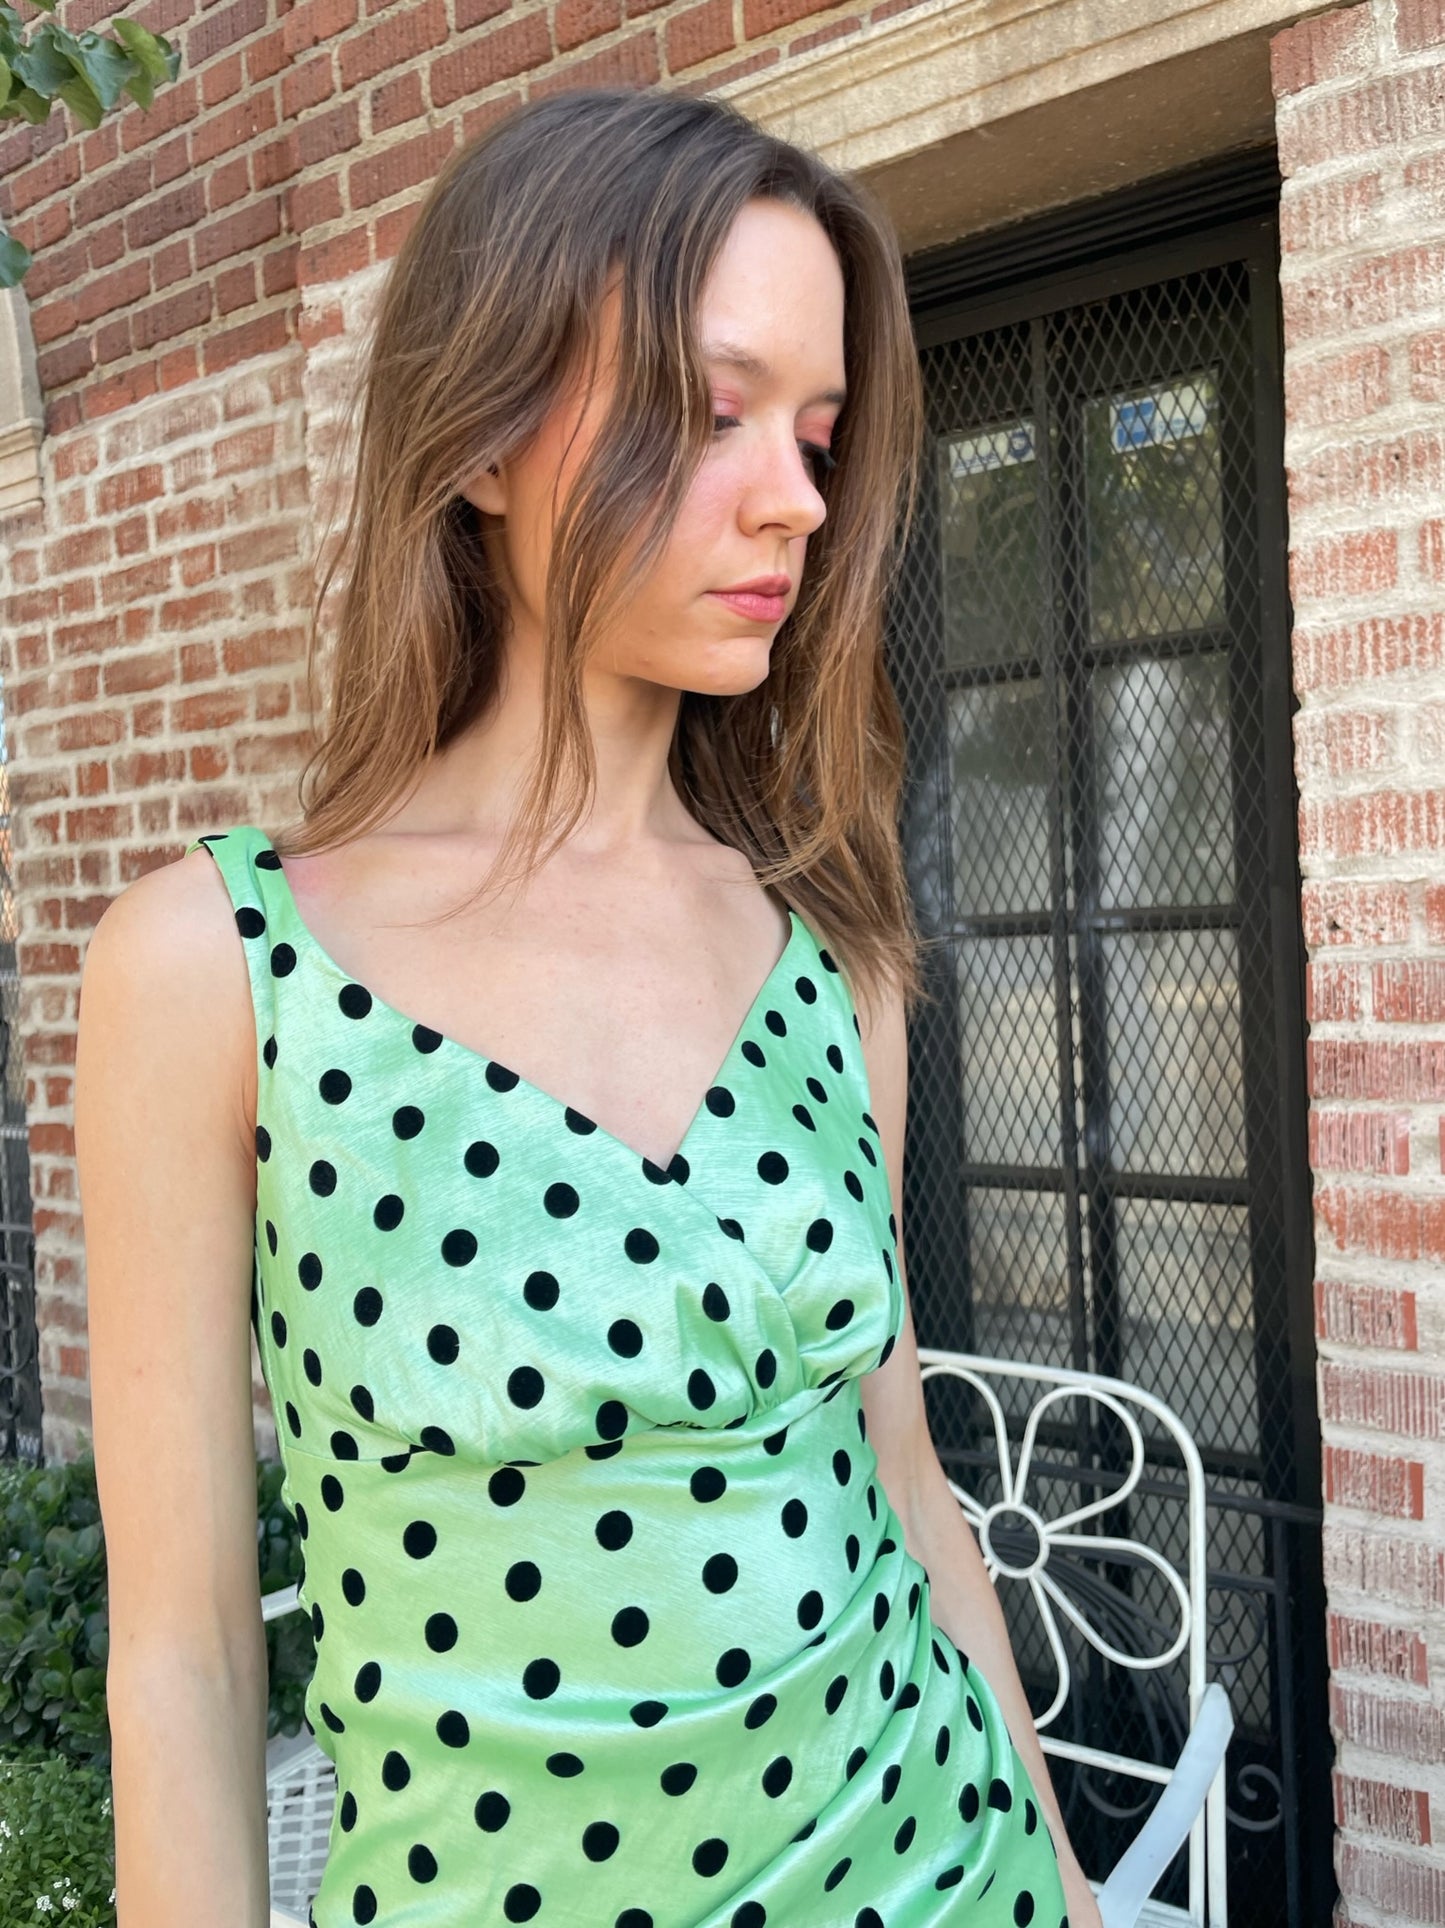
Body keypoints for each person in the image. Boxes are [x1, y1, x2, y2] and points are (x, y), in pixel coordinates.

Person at [77, 84, 1101, 1928]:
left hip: (955, 1875)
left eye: (817, 430)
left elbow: (907, 1484)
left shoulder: (831, 950)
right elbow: (187, 1664)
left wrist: (1069, 1875)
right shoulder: (214, 970)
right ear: (481, 437)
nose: (794, 497)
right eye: (712, 413)